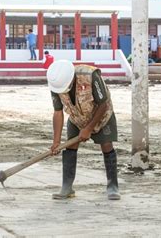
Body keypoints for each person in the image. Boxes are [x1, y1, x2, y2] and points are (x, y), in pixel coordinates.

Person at [47, 60, 120, 200]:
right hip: (76, 118)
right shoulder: (56, 84)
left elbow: (103, 104)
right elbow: (57, 112)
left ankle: (113, 186)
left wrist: (89, 129)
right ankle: (67, 187)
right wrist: (56, 142)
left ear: (72, 78)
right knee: (70, 146)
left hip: (101, 115)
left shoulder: (91, 75)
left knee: (106, 145)